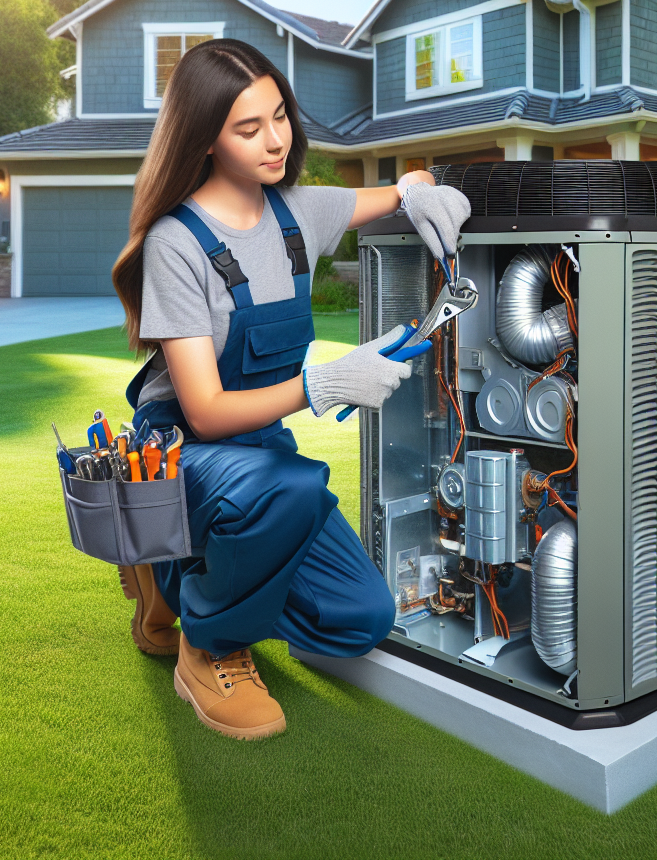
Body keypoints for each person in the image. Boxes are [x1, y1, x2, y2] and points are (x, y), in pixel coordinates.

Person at [111, 39, 470, 741]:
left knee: (363, 618)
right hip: (180, 446)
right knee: (290, 489)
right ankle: (208, 645)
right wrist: (324, 383)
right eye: (249, 129)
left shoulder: (298, 213)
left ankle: (173, 574)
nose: (276, 141)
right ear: (205, 138)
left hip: (257, 453)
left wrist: (423, 189)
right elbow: (207, 412)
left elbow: (403, 184)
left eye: (280, 116)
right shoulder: (174, 245)